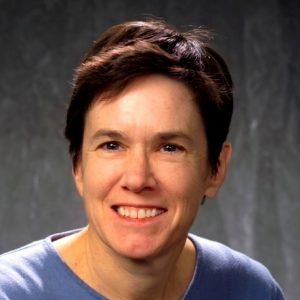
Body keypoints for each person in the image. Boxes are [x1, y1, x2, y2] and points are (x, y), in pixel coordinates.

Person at [0, 19, 285, 300]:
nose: (137, 179)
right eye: (112, 145)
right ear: (78, 166)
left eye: (170, 148)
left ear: (216, 168)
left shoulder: (252, 290)